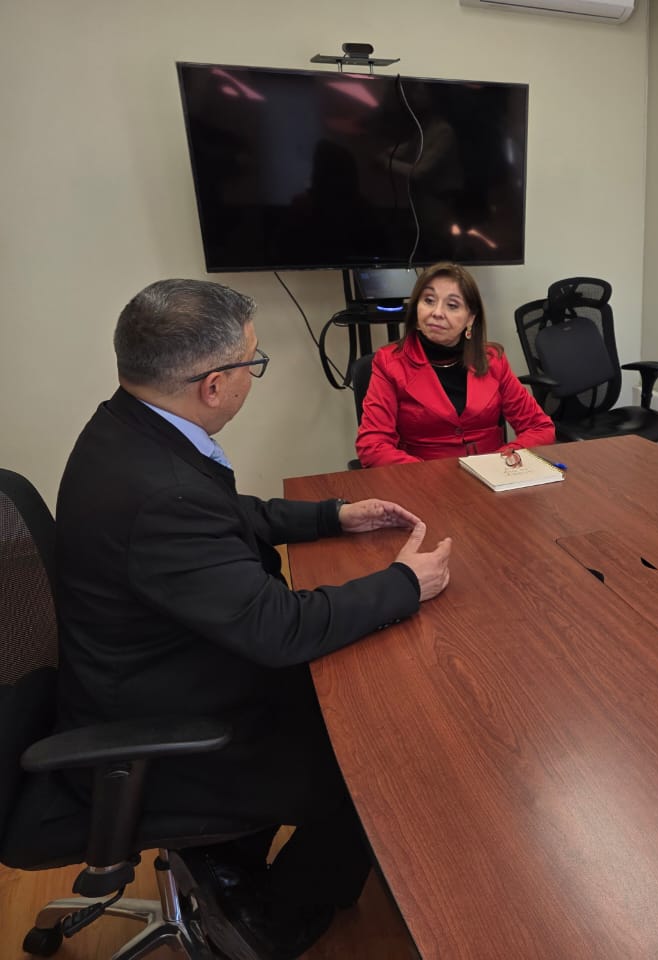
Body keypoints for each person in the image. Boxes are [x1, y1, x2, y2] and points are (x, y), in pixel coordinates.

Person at [54, 279, 453, 959]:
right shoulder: (162, 491)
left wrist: (331, 515)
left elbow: (228, 518)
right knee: (382, 758)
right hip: (170, 713)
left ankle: (228, 859)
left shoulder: (132, 429)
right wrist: (404, 583)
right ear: (214, 385)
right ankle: (271, 920)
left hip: (142, 666)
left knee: (362, 695)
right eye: (253, 363)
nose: (254, 376)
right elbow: (279, 629)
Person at [356, 262, 555, 466]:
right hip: (423, 482)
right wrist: (431, 475)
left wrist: (501, 461)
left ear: (470, 318)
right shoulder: (389, 363)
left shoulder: (492, 359)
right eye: (429, 300)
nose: (437, 312)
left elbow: (539, 427)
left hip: (491, 480)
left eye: (452, 305)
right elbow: (372, 446)